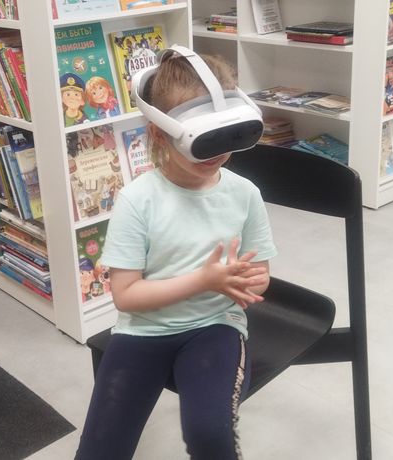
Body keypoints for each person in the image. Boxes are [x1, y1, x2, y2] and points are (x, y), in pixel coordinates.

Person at [75, 49, 277, 460]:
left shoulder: (245, 194)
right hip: (143, 330)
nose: (217, 153)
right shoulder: (137, 201)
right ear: (159, 134)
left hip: (216, 326)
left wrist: (252, 282)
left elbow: (260, 273)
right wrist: (203, 281)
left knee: (210, 435)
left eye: (228, 135)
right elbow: (126, 296)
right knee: (100, 449)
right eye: (204, 140)